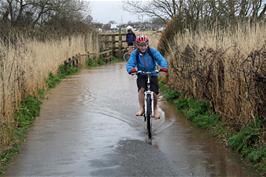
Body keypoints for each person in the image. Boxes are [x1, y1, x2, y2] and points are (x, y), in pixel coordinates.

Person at [126, 34, 168, 119]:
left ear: (147, 44)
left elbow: (161, 59)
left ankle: (155, 109)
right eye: (141, 45)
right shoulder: (135, 53)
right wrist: (131, 69)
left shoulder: (152, 51)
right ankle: (141, 108)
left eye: (145, 45)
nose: (143, 47)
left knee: (155, 92)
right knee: (141, 89)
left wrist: (164, 67)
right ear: (137, 45)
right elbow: (130, 63)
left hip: (153, 73)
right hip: (141, 73)